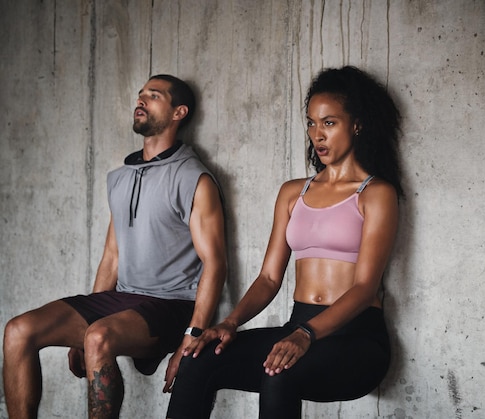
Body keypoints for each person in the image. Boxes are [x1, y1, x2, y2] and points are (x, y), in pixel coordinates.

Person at [166, 66, 403, 419]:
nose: (317, 134)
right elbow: (269, 279)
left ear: (356, 124)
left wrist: (306, 334)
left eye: (329, 123)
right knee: (196, 359)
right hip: (299, 327)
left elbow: (366, 288)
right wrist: (229, 323)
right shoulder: (294, 193)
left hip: (356, 340)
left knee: (278, 372)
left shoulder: (376, 194)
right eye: (311, 123)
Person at [3, 74, 227, 419]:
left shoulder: (192, 177)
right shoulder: (120, 177)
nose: (141, 100)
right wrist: (89, 313)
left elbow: (215, 264)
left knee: (98, 338)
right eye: (140, 95)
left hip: (170, 304)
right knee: (18, 331)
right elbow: (112, 256)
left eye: (153, 96)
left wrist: (191, 336)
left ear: (179, 112)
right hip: (122, 299)